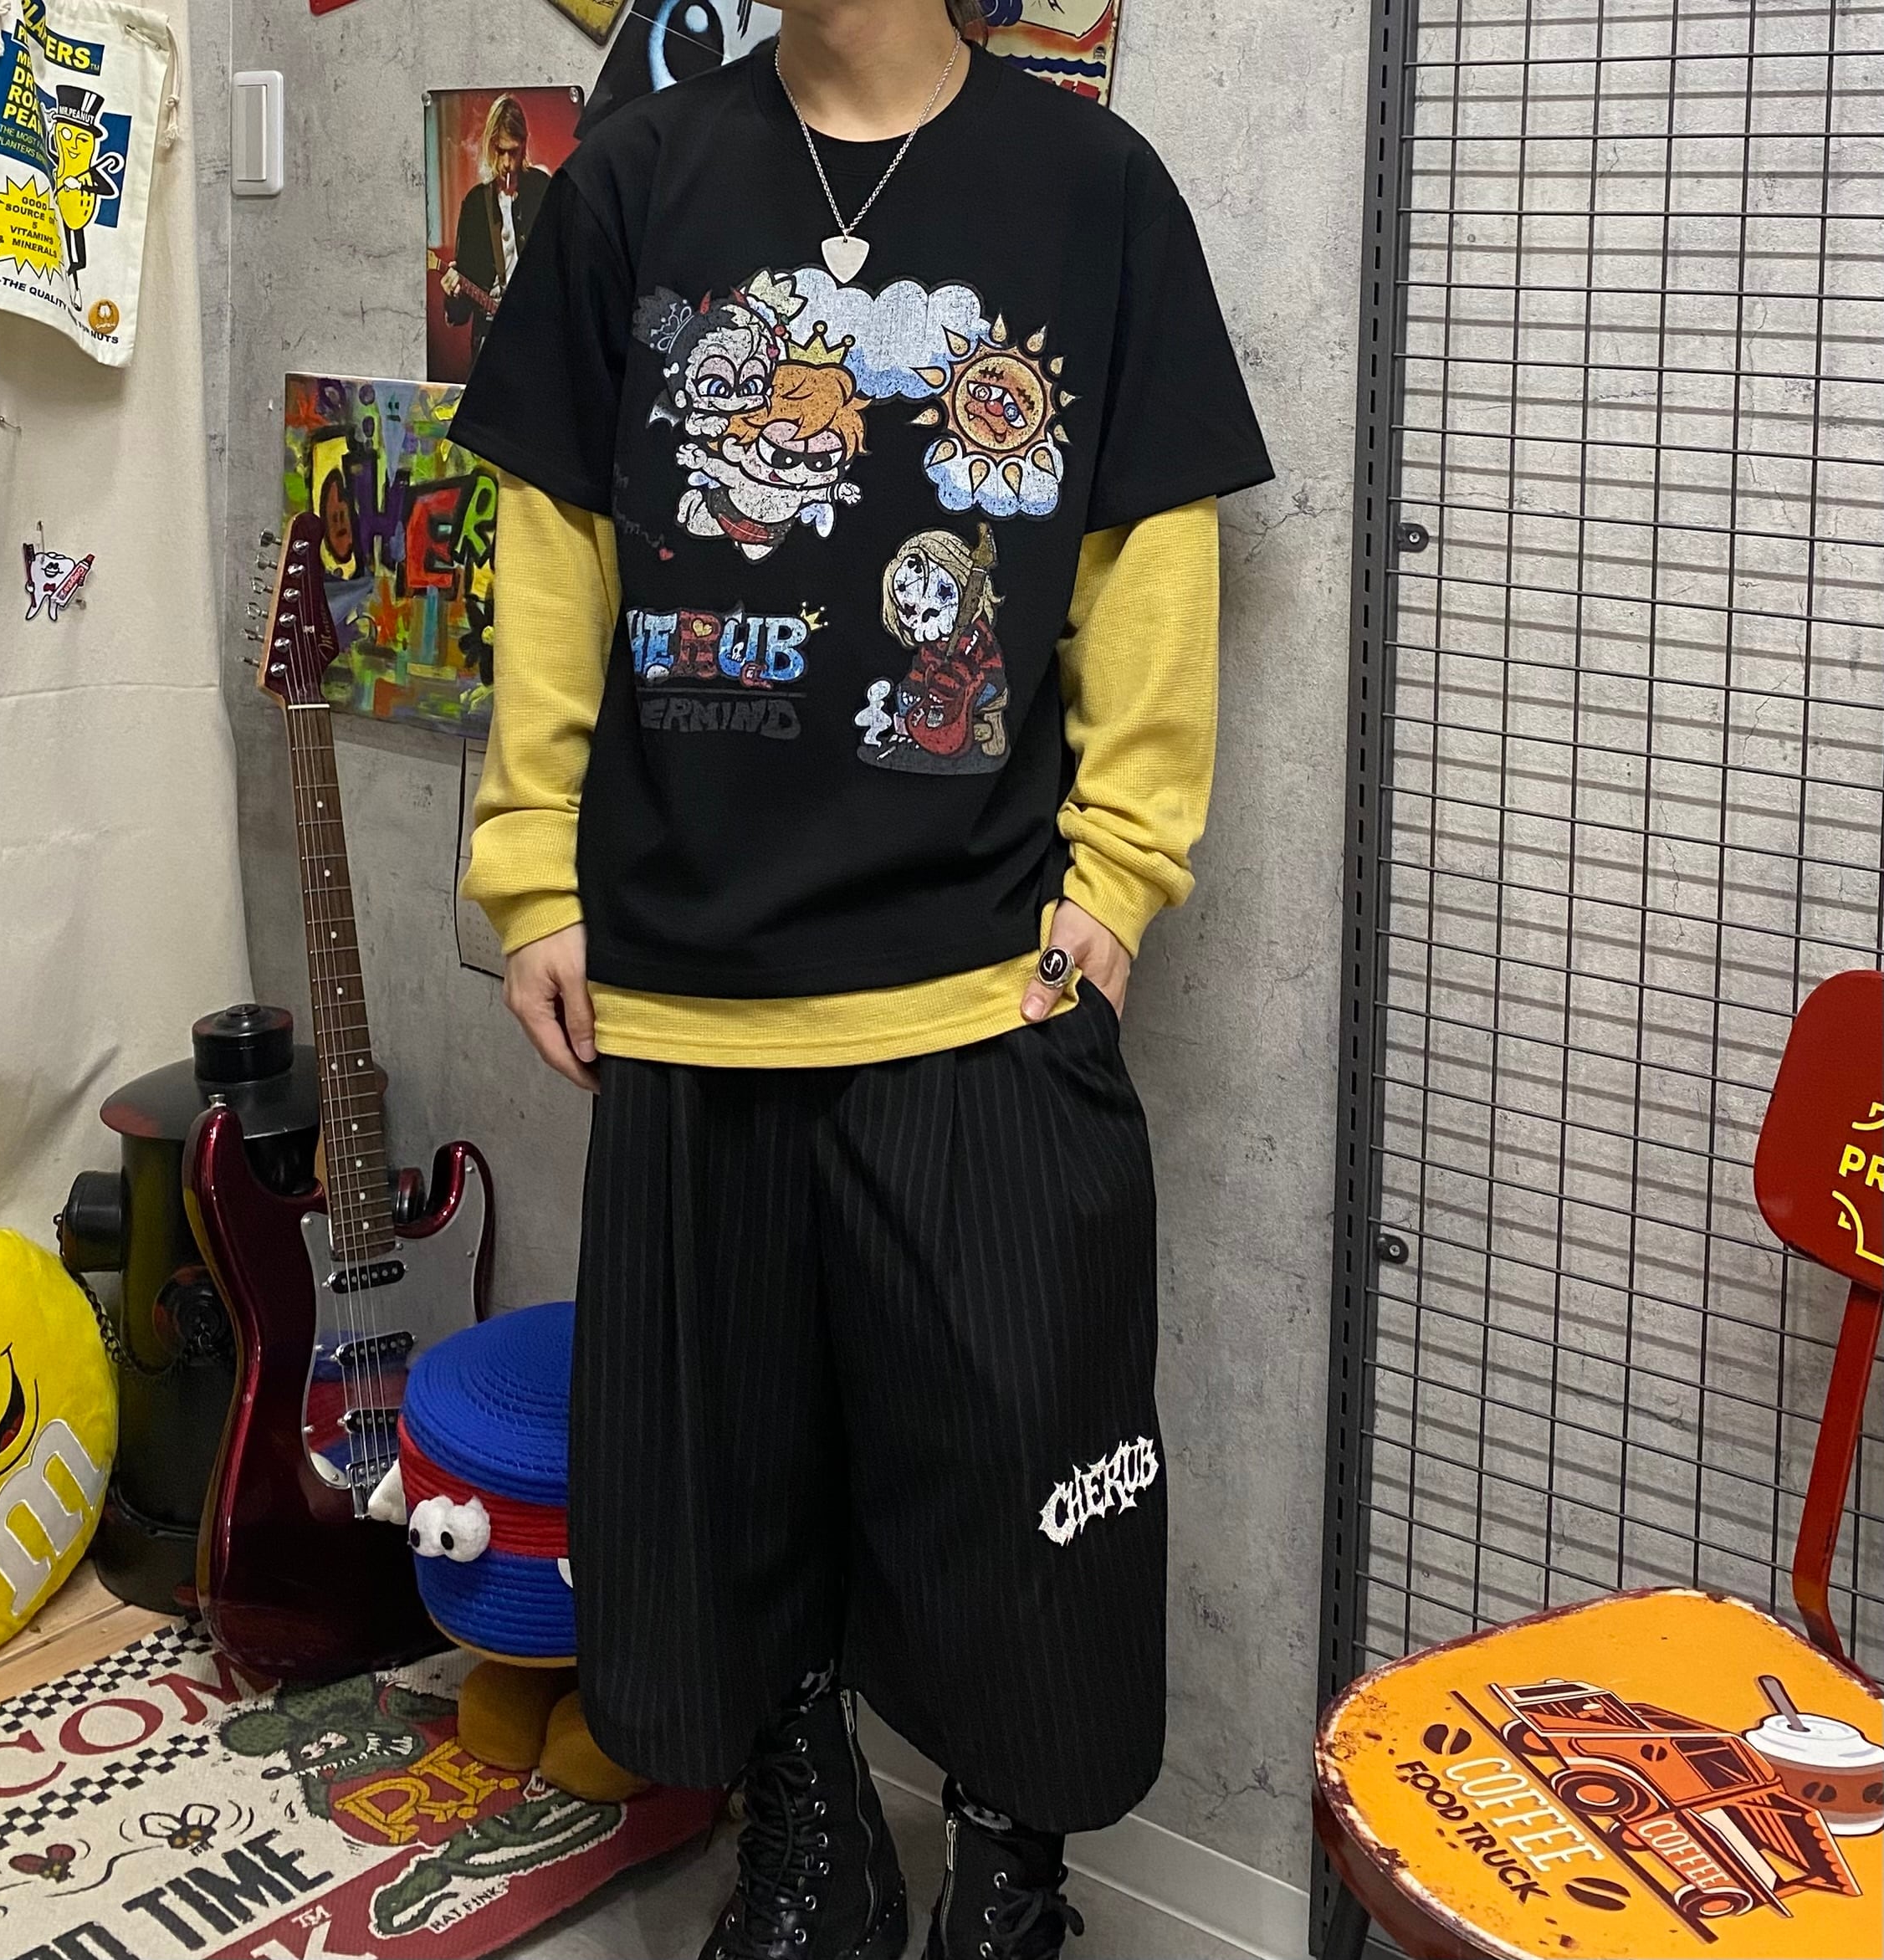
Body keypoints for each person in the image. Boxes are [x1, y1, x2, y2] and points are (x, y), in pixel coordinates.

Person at [453, 0, 1271, 1952]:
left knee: (1017, 1469)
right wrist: (528, 873)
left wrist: (1118, 874)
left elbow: (1148, 558)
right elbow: (554, 544)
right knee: (725, 1484)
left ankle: (1010, 1871)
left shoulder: (1089, 188)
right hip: (686, 975)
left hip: (981, 976)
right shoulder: (632, 182)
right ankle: (810, 1834)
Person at [443, 95, 553, 361]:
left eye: (513, 152)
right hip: (490, 339)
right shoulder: (474, 205)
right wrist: (454, 295)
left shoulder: (543, 189)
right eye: (500, 151)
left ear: (524, 143)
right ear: (490, 146)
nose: (506, 163)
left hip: (537, 334)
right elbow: (460, 314)